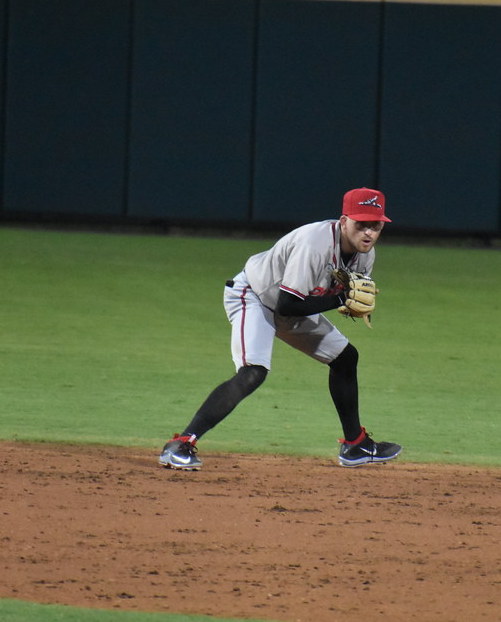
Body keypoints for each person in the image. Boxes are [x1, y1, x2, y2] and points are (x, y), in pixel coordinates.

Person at [158, 187, 402, 470]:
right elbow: (288, 305)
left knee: (346, 358)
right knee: (253, 372)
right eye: (361, 224)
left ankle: (355, 445)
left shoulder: (365, 256)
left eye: (375, 225)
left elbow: (320, 300)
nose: (369, 233)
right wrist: (339, 299)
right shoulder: (314, 244)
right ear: (344, 220)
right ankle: (181, 443)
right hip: (254, 296)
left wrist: (347, 303)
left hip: (289, 306)